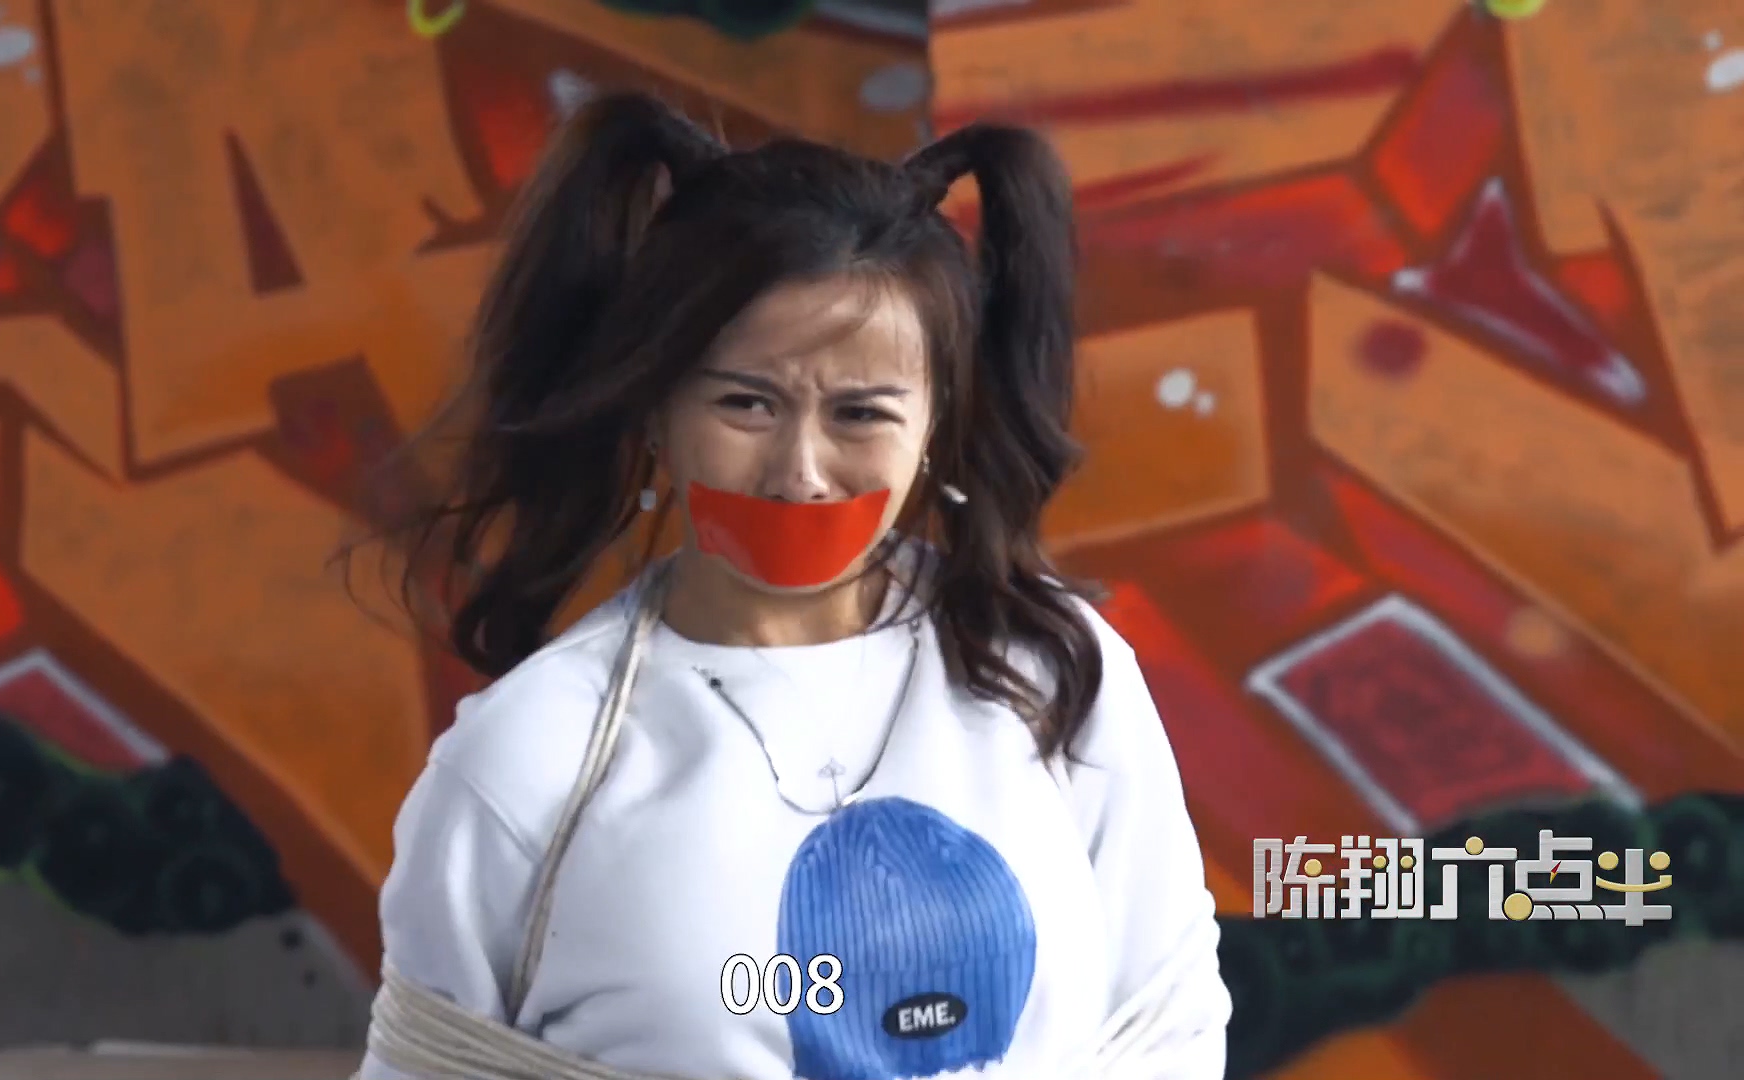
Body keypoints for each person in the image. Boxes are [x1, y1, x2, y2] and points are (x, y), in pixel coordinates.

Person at [356, 91, 1231, 1080]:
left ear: (937, 423)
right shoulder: (529, 758)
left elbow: (1168, 1030)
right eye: (747, 404)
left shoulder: (1055, 675)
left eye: (860, 414)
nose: (800, 474)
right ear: (655, 409)